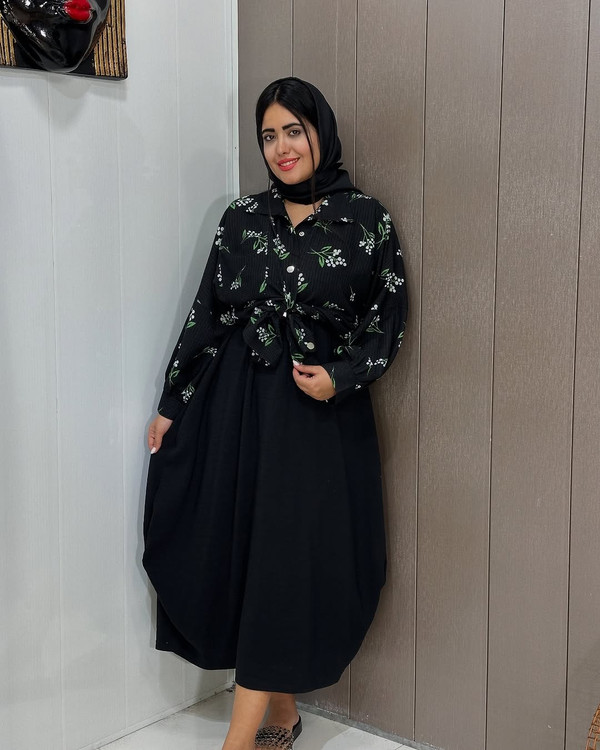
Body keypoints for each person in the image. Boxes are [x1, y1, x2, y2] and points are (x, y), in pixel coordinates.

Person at [143, 77, 408, 750]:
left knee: (287, 560)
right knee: (251, 556)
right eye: (269, 135)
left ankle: (237, 742)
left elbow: (387, 321)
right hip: (236, 408)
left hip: (316, 420)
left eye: (294, 130)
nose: (282, 147)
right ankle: (282, 715)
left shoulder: (365, 220)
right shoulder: (242, 218)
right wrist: (173, 404)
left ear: (321, 131)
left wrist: (340, 378)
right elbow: (207, 314)